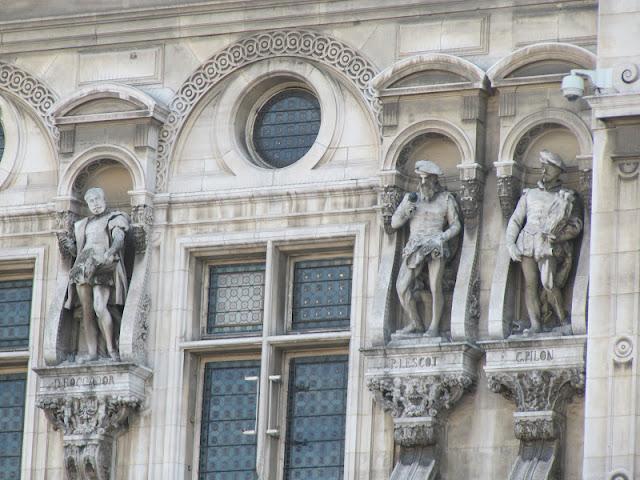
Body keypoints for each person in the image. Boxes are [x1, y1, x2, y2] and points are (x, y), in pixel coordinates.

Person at [506, 150, 583, 334]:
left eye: (549, 167)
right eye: (544, 166)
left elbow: (576, 225)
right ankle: (535, 324)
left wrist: (558, 237)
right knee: (530, 285)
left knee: (548, 282)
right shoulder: (529, 194)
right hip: (527, 241)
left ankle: (562, 318)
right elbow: (516, 220)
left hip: (549, 245)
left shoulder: (566, 196)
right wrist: (511, 243)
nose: (545, 170)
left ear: (559, 171)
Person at [391, 160, 462, 336]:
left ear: (434, 180)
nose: (423, 183)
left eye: (427, 179)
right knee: (402, 287)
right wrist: (406, 213)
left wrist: (442, 237)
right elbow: (394, 223)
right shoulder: (410, 199)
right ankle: (416, 323)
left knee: (435, 285)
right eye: (421, 179)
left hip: (436, 244)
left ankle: (434, 327)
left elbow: (456, 226)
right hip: (415, 245)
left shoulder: (446, 199)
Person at [64, 187, 130, 361]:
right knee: (87, 311)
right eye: (91, 201)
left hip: (102, 263)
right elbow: (78, 250)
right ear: (87, 204)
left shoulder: (114, 218)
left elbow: (119, 237)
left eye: (97, 199)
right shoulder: (82, 224)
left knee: (100, 306)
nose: (95, 203)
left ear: (104, 199)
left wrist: (111, 251)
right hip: (83, 265)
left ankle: (111, 349)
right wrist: (67, 245)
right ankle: (92, 353)